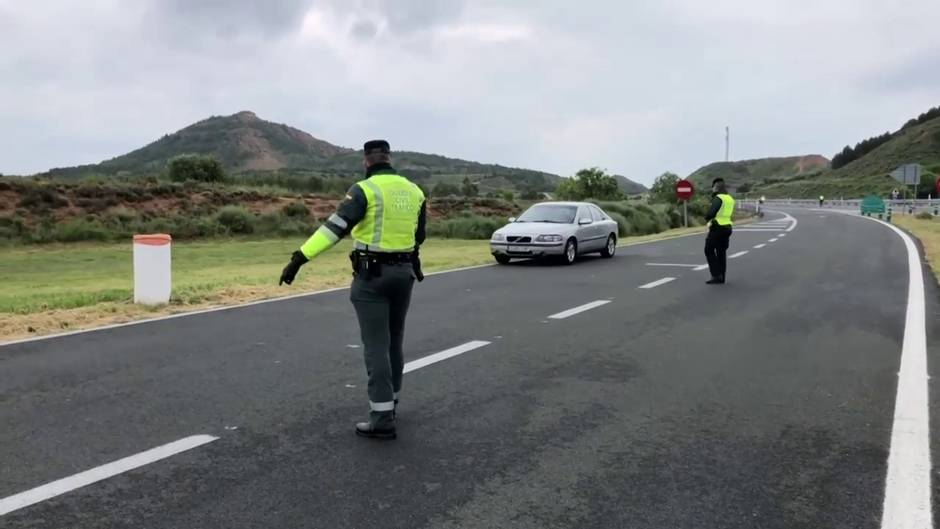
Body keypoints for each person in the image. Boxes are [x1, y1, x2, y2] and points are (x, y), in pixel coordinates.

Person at [279, 139, 427, 440]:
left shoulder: (365, 190)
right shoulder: (415, 191)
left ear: (366, 161)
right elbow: (419, 235)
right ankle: (392, 403)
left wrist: (299, 258)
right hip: (404, 273)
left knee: (375, 347)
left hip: (372, 277)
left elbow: (334, 229)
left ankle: (382, 419)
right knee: (394, 341)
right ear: (389, 158)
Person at [703, 177, 735, 285]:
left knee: (708, 250)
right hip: (728, 228)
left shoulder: (718, 198)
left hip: (717, 228)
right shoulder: (730, 198)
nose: (712, 189)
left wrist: (706, 217)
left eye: (713, 187)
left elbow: (711, 213)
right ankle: (722, 277)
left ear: (716, 187)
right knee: (721, 252)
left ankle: (716, 275)